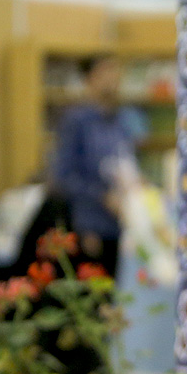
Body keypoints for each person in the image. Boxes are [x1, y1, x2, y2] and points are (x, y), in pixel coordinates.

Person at [51, 54, 136, 279]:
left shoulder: (120, 120)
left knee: (111, 290)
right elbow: (63, 176)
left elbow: (125, 163)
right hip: (88, 226)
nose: (112, 78)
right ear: (88, 79)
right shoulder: (76, 121)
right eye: (104, 72)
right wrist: (101, 196)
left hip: (116, 224)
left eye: (115, 71)